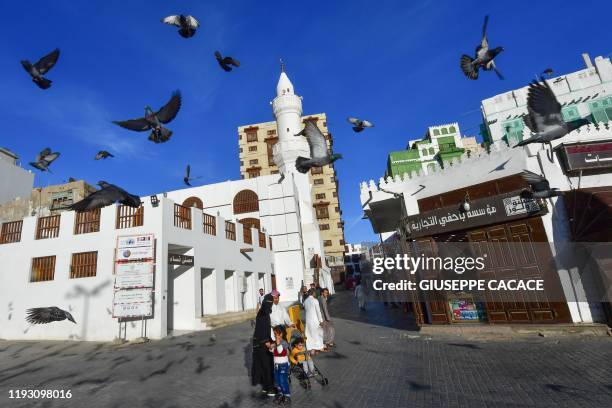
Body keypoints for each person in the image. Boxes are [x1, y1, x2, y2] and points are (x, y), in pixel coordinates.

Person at [251, 293, 275, 397]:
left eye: (271, 302)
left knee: (262, 365)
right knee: (267, 365)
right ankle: (270, 388)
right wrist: (267, 342)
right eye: (269, 302)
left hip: (258, 343)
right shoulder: (263, 314)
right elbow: (262, 329)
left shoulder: (261, 312)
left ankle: (265, 387)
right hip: (262, 344)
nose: (270, 305)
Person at [270, 325, 291, 404]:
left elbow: (281, 352)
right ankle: (280, 394)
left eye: (276, 334)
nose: (275, 336)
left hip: (283, 365)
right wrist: (271, 347)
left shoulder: (284, 343)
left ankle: (287, 396)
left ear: (281, 334)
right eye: (274, 334)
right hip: (276, 365)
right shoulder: (276, 342)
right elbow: (274, 352)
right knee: (277, 381)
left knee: (282, 381)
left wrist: (277, 344)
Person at [303, 288, 325, 353]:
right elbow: (318, 311)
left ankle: (312, 349)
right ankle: (320, 347)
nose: (315, 294)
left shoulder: (305, 301)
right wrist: (321, 320)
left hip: (308, 320)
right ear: (313, 293)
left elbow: (305, 309)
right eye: (315, 292)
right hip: (315, 320)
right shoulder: (315, 300)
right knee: (318, 333)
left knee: (310, 335)